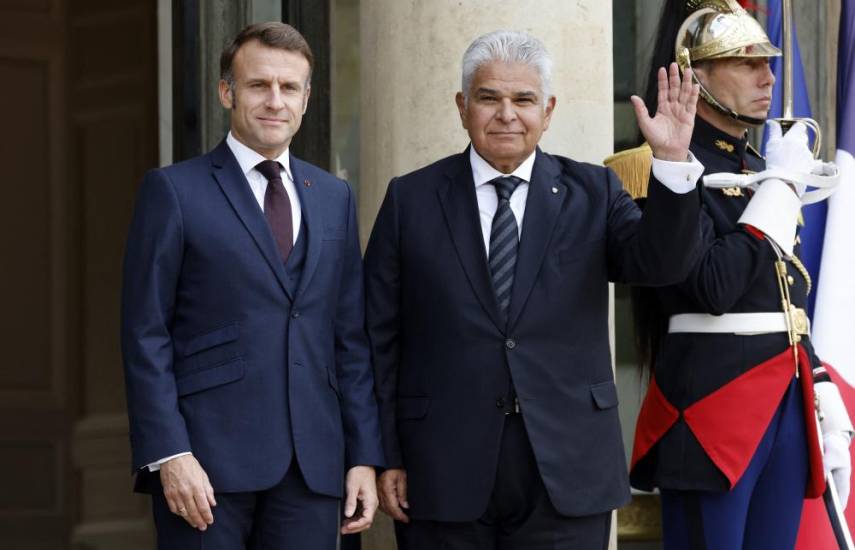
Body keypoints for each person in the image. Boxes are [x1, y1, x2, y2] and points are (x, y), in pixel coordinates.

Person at [364, 29, 705, 549]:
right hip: (441, 468)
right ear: (462, 106)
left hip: (568, 469)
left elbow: (660, 265)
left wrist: (673, 163)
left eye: (523, 99)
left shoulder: (594, 191)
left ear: (547, 111)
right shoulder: (411, 199)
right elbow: (377, 337)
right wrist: (384, 453)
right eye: (488, 98)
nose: (506, 114)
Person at [120, 22, 383, 550]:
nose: (274, 100)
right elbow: (145, 333)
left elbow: (350, 338)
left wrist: (363, 457)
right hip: (206, 468)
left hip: (314, 468)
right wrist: (170, 453)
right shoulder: (173, 191)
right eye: (259, 84)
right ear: (227, 92)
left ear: (307, 99)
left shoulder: (335, 196)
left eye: (289, 88)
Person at [625, 2, 854, 548]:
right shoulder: (663, 167)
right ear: (696, 78)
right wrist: (780, 189)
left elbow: (788, 303)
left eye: (768, 63)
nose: (768, 78)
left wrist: (822, 394)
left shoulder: (760, 164)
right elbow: (712, 287)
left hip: (787, 402)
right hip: (710, 411)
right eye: (745, 63)